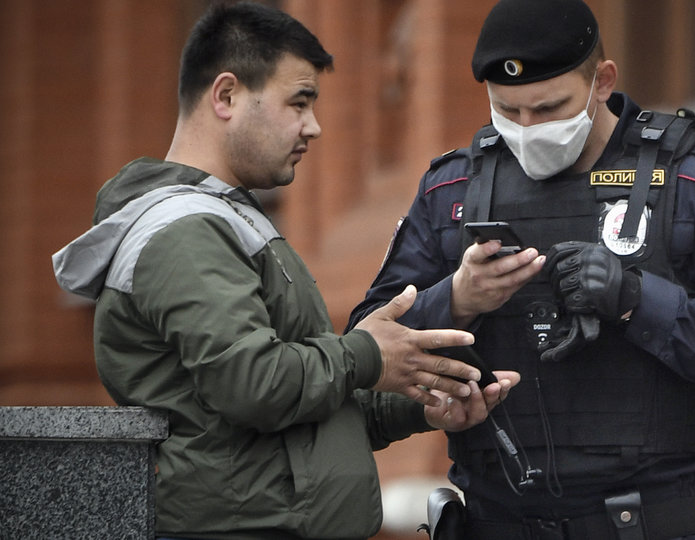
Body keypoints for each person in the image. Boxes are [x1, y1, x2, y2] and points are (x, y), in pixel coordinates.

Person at [51, 3, 519, 539]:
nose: (313, 127)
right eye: (298, 103)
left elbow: (301, 419)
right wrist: (367, 352)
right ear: (225, 96)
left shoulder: (231, 218)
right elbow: (254, 384)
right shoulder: (185, 231)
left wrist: (420, 404)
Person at [346, 0, 695, 539]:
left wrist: (635, 299)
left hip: (650, 522)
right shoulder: (452, 189)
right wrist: (457, 298)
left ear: (602, 82)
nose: (526, 129)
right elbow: (362, 349)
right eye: (507, 111)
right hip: (495, 520)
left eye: (548, 109)